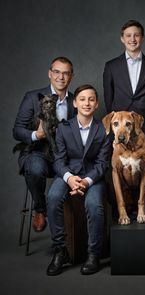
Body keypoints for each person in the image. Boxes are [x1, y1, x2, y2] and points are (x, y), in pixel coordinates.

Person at [46, 84, 111, 276]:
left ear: (97, 103)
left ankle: (93, 253)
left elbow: (102, 163)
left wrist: (86, 181)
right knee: (53, 197)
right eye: (82, 99)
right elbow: (58, 160)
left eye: (91, 99)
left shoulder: (103, 130)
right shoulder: (64, 129)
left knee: (94, 205)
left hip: (93, 177)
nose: (87, 103)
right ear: (74, 103)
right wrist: (69, 178)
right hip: (68, 174)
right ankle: (60, 250)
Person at [13, 56, 75, 232]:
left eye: (65, 73)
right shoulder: (33, 97)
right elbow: (17, 130)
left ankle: (71, 239)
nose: (61, 77)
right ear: (50, 73)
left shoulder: (77, 101)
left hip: (64, 156)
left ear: (71, 76)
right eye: (56, 72)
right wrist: (36, 134)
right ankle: (40, 209)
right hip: (37, 152)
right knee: (35, 167)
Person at [103, 19, 145, 133]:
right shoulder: (111, 66)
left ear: (142, 38)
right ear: (122, 39)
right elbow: (108, 99)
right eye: (128, 35)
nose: (132, 39)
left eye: (136, 35)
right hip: (120, 126)